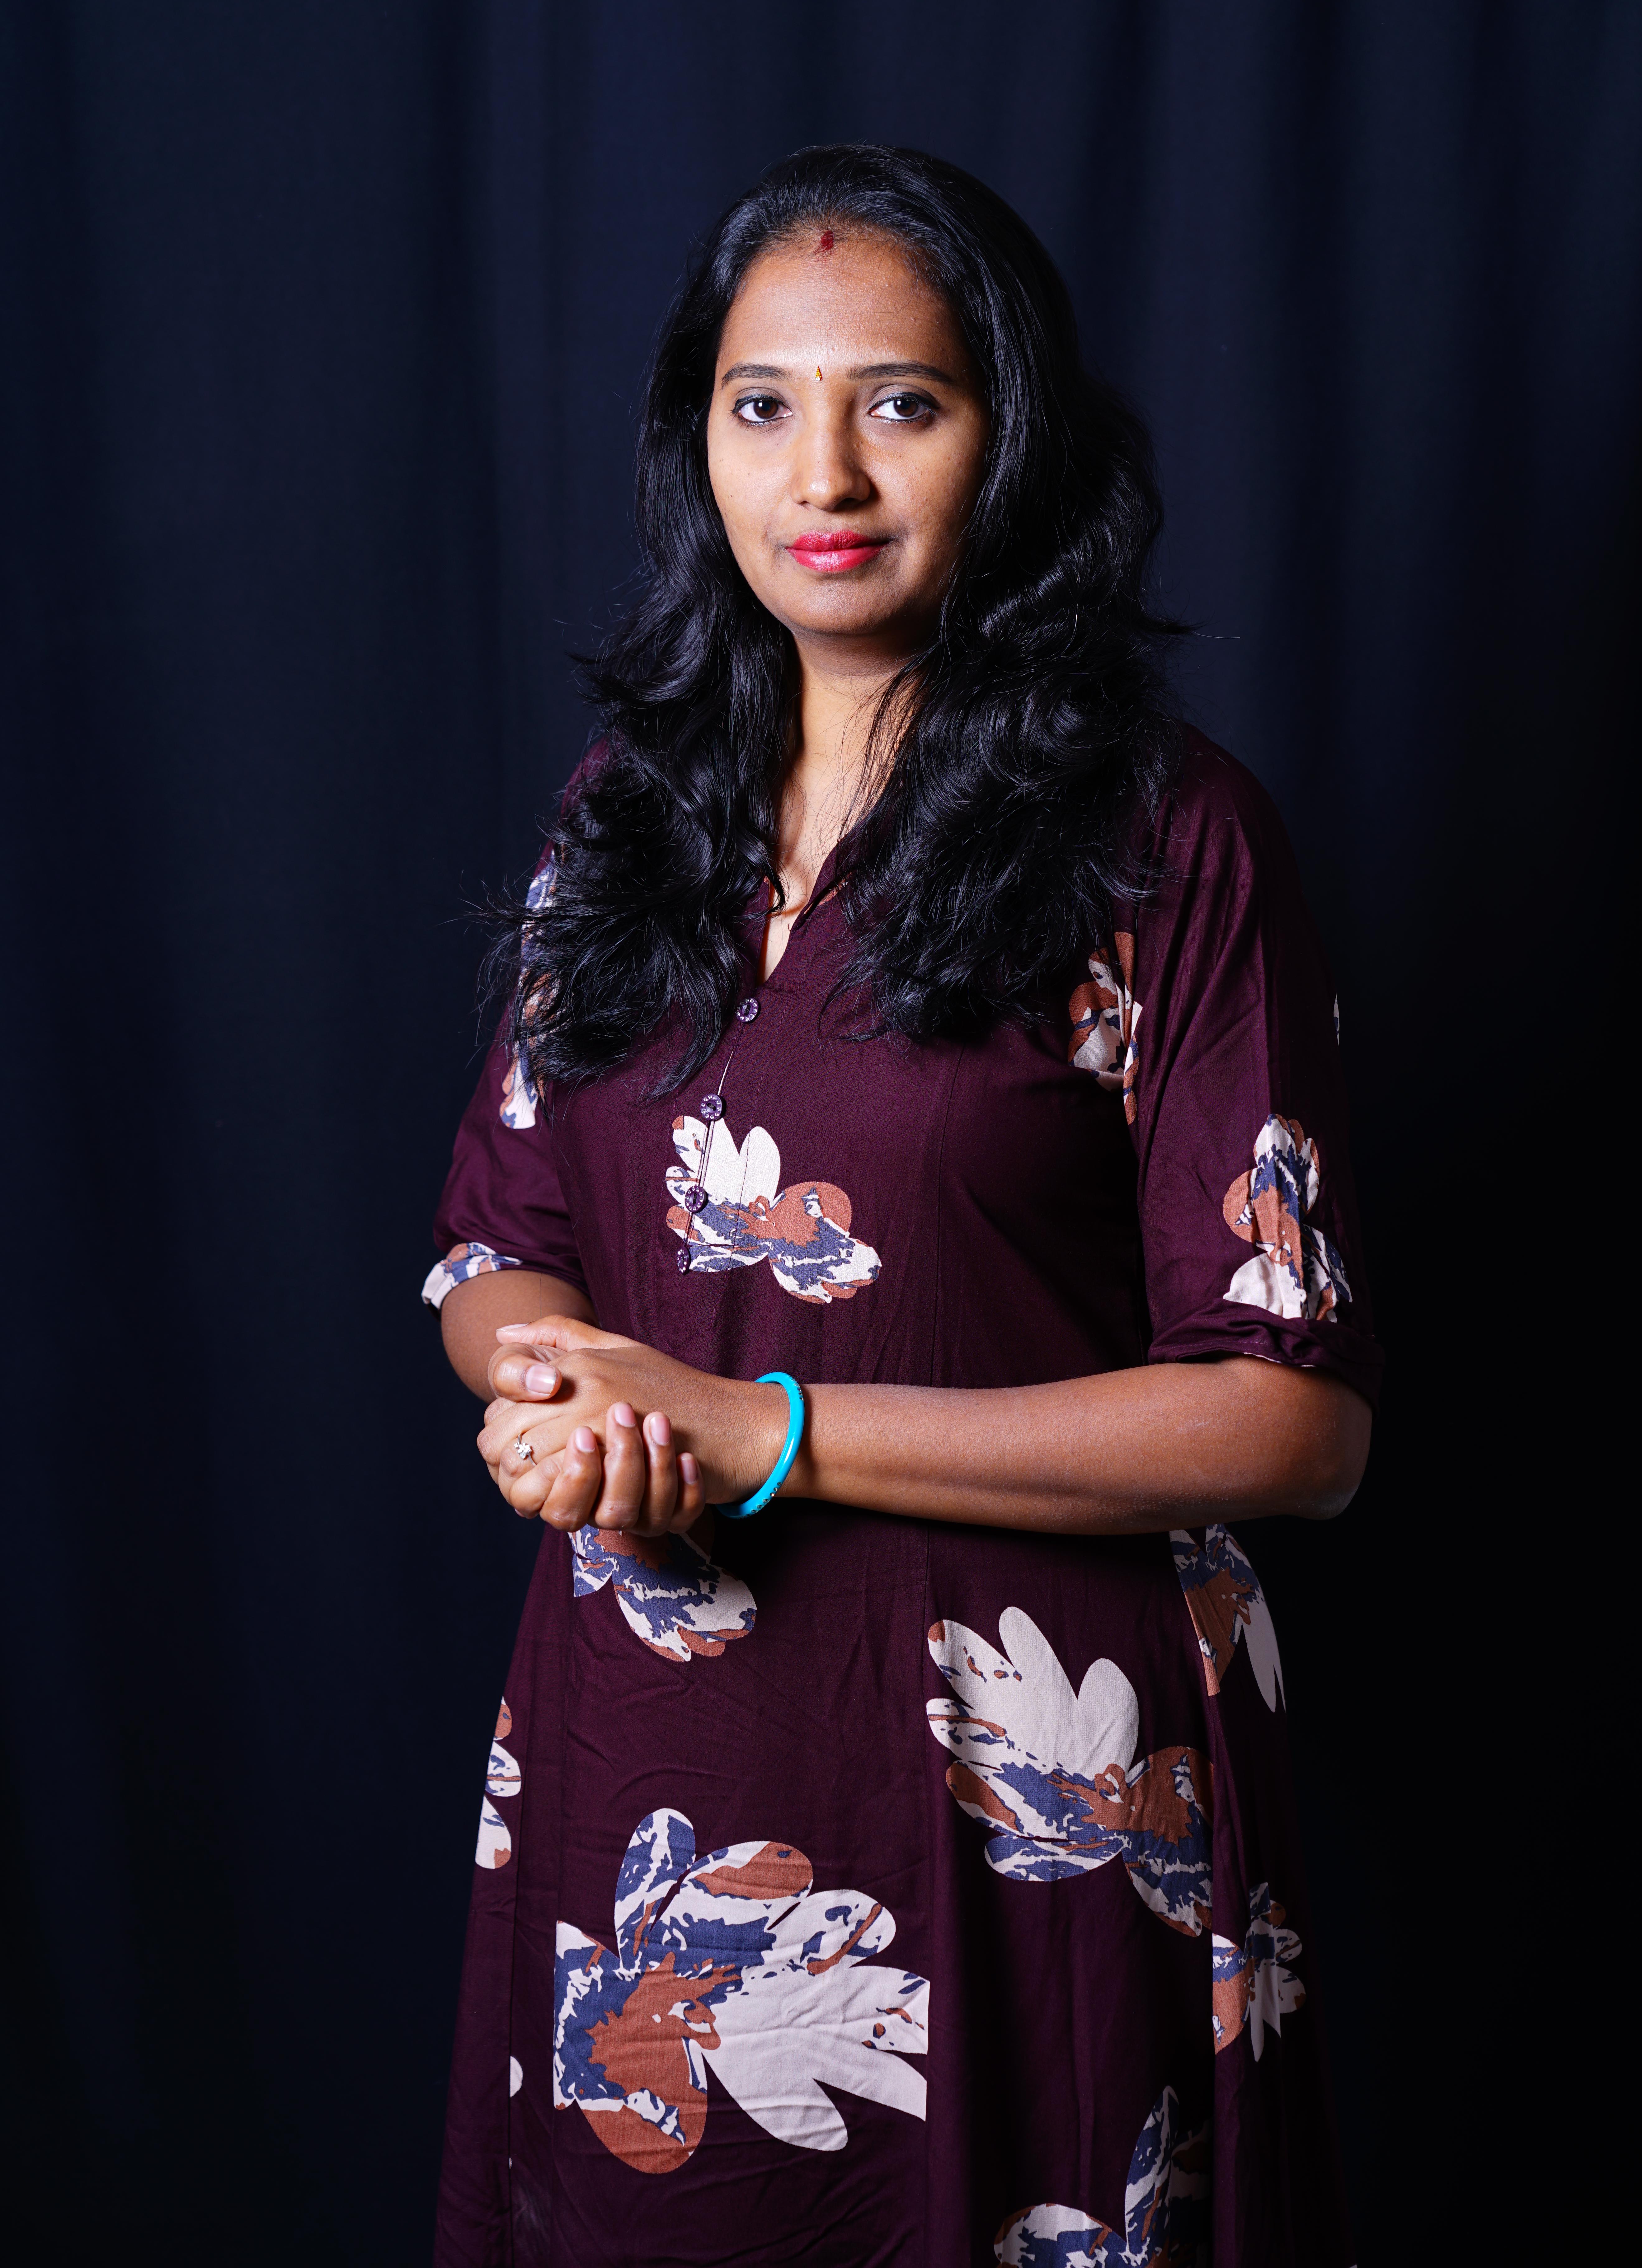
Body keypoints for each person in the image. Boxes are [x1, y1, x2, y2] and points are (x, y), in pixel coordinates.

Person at [426, 143, 1378, 2267]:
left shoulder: (1163, 841)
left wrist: (759, 1426)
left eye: (903, 403)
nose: (824, 475)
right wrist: (563, 1396)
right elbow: (498, 1245)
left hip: (1024, 1782)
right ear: (696, 440)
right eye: (763, 404)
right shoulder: (631, 810)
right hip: (646, 1748)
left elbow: (1289, 1417)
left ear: (1005, 435)